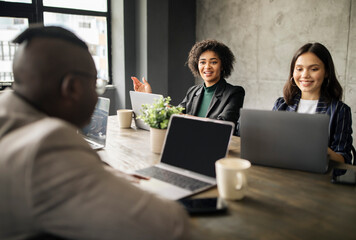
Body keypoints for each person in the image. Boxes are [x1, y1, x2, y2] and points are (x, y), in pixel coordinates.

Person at [0, 26, 189, 240]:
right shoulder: (47, 145)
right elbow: (169, 225)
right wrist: (148, 187)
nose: (96, 93)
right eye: (95, 85)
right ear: (72, 87)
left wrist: (105, 175)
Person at [132, 39, 245, 135]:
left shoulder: (235, 93)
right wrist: (148, 97)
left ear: (222, 66)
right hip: (190, 142)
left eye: (213, 62)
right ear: (197, 65)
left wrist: (186, 118)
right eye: (202, 62)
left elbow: (224, 126)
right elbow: (173, 114)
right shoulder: (193, 91)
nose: (207, 67)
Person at [273, 42, 353, 164]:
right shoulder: (281, 104)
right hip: (284, 169)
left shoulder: (339, 110)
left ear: (326, 72)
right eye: (299, 69)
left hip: (318, 177)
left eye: (314, 69)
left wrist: (316, 147)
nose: (305, 75)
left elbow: (343, 159)